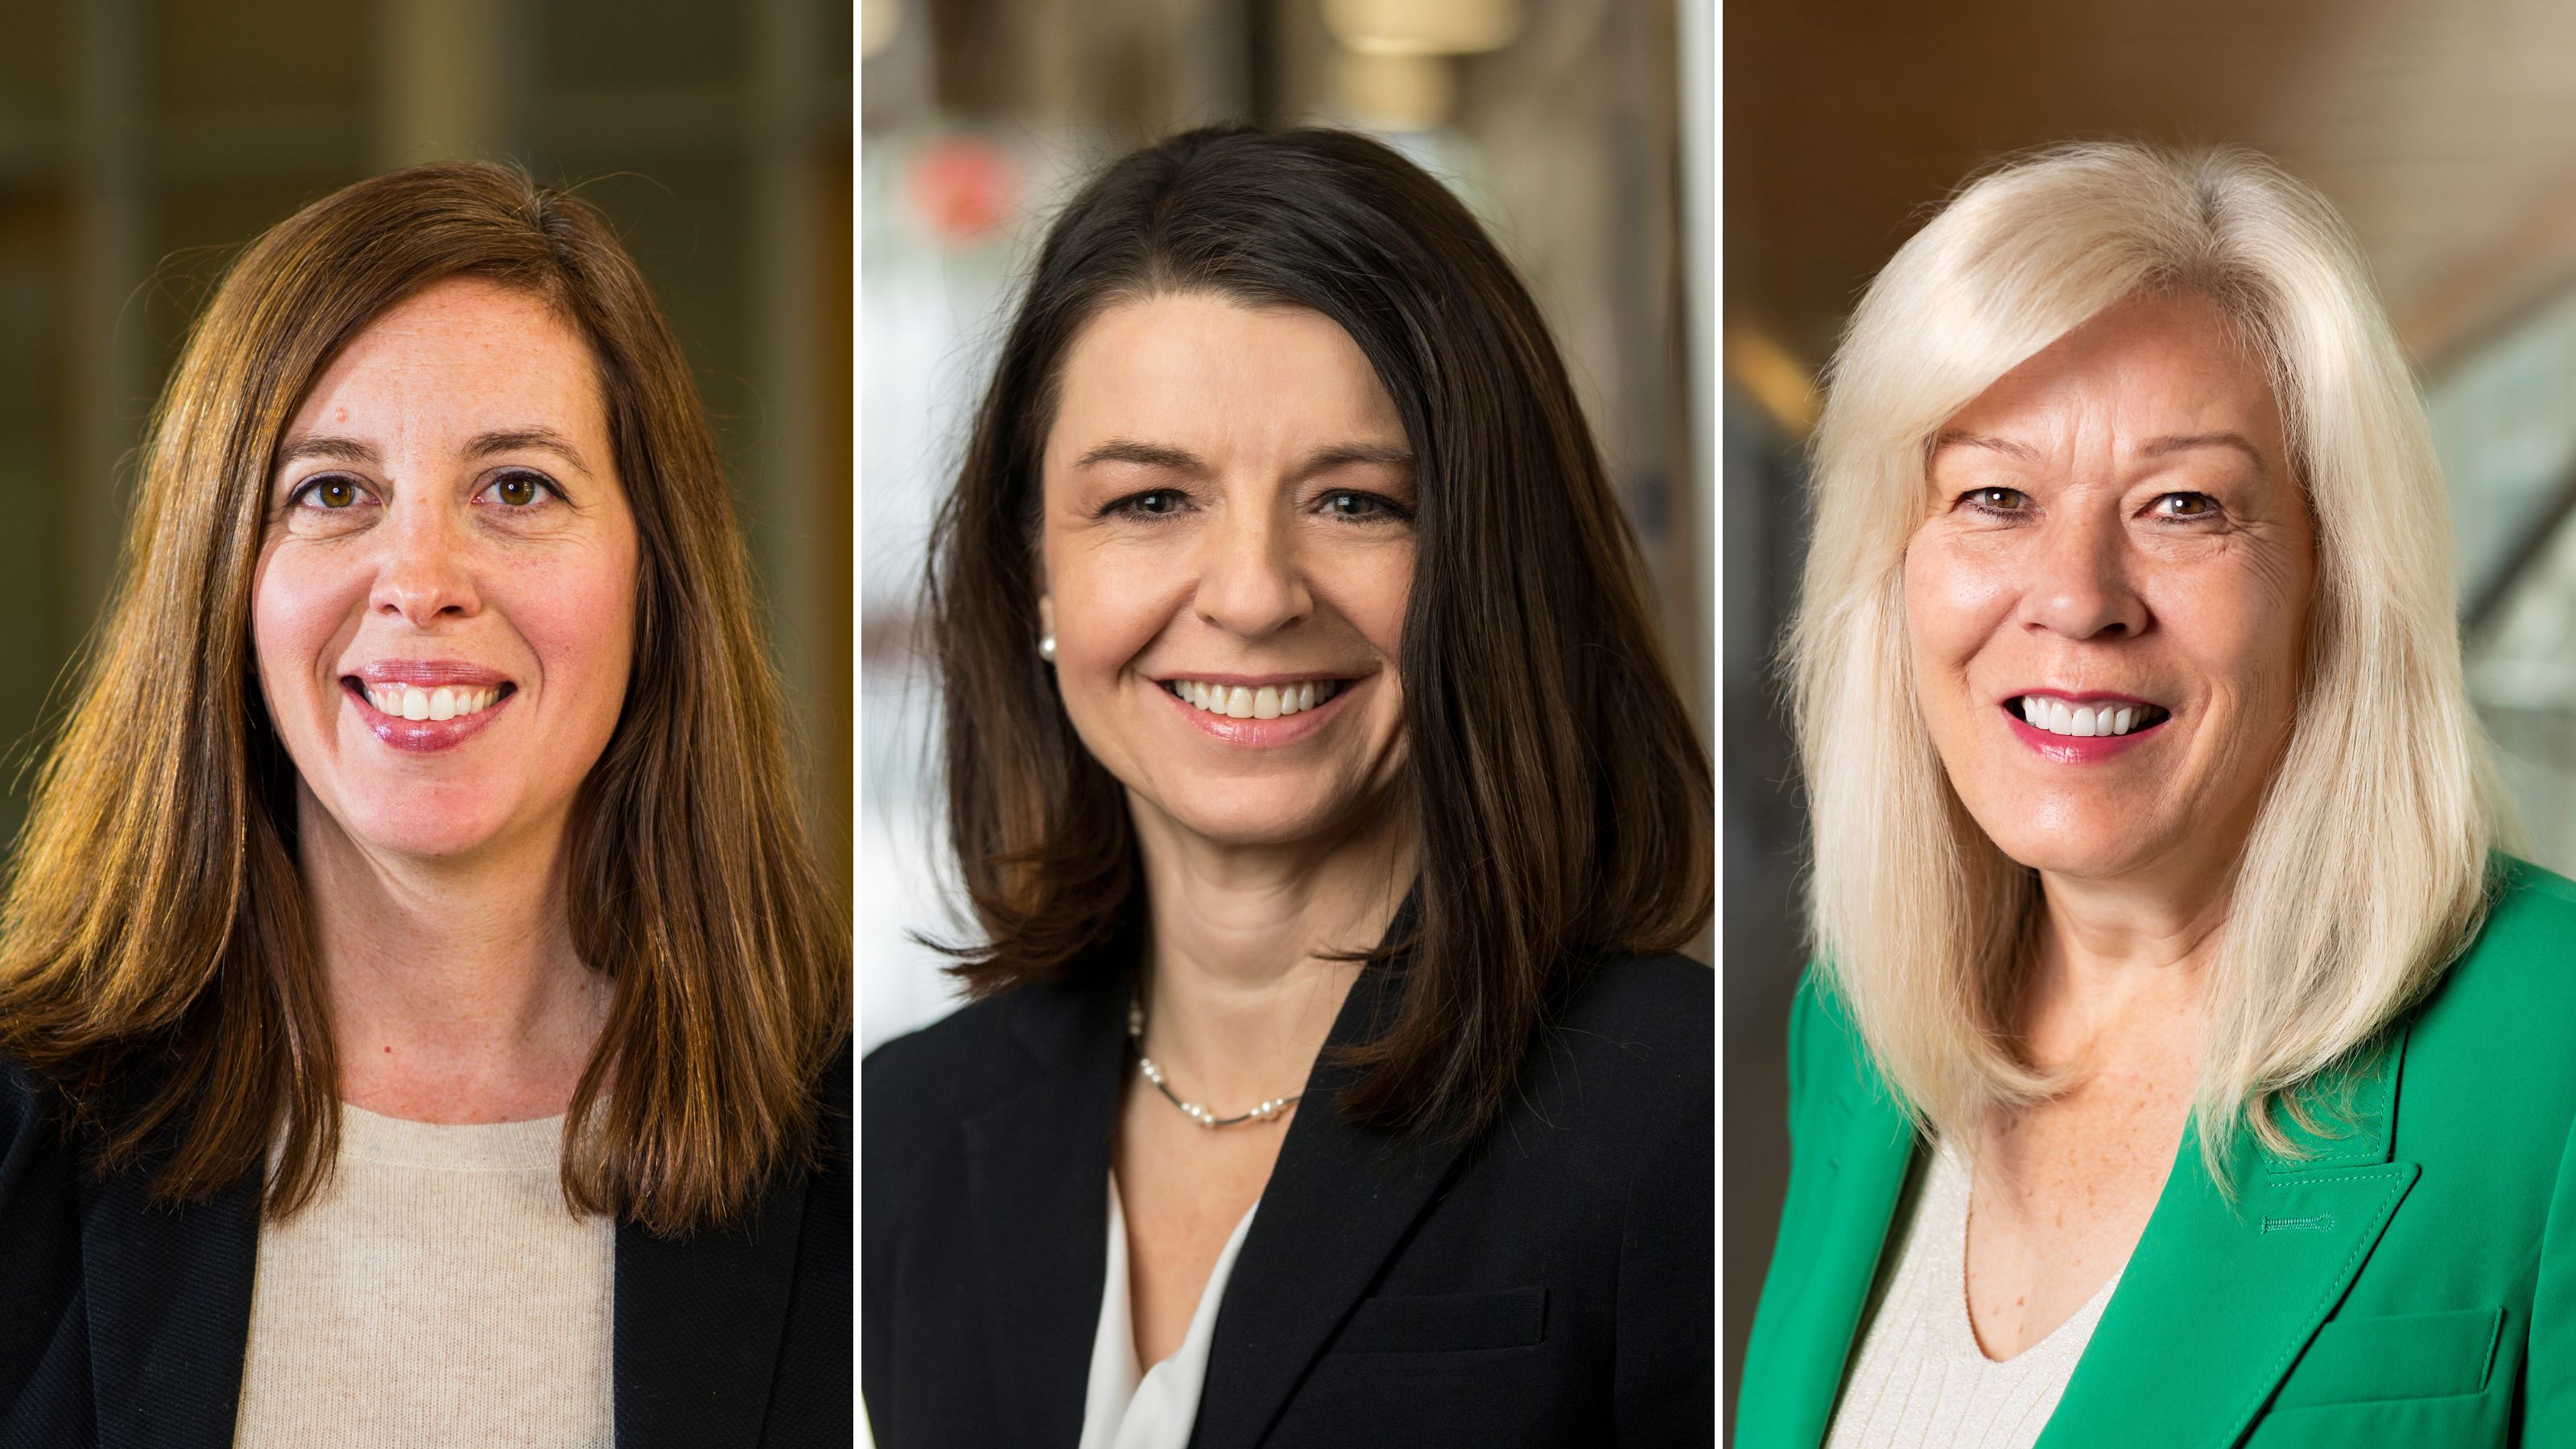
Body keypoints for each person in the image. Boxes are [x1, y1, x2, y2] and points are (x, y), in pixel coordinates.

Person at [861, 125, 1715, 1447]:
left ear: (1482, 562)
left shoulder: (1677, 1107)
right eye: (1150, 502)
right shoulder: (903, 1139)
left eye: (1357, 502)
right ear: (1035, 570)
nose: (1254, 595)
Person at [1736, 140, 2576, 1448]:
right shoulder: (1852, 1028)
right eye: (1994, 496)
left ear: (2335, 587)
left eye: (2185, 506)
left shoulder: (2549, 1040)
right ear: (1888, 572)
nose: (2077, 597)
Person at [0, 162, 851, 1447]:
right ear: (223, 586)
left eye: (518, 487)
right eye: (332, 491)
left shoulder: (866, 1139)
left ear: (653, 573)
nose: (422, 580)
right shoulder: (19, 1138)